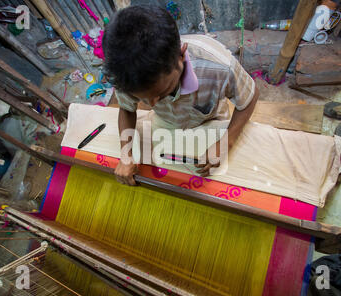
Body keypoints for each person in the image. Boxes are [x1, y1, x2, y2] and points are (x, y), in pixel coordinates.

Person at [103, 5, 259, 186]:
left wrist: (226, 142)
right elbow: (127, 109)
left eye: (162, 93)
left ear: (181, 56)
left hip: (211, 121)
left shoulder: (218, 66)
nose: (152, 104)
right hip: (167, 123)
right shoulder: (127, 75)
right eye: (143, 99)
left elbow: (250, 95)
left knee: (221, 180)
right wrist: (126, 155)